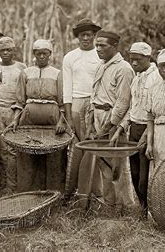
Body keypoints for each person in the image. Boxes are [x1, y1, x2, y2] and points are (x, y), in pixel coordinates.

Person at [84, 30, 135, 209]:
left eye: (102, 45)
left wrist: (109, 126)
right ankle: (109, 205)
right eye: (97, 45)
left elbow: (123, 102)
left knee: (117, 166)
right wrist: (90, 120)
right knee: (103, 163)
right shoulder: (102, 65)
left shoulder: (124, 69)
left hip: (112, 120)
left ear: (114, 46)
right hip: (98, 116)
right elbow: (95, 93)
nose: (98, 49)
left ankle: (124, 207)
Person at [111, 42, 160, 218]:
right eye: (131, 60)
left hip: (149, 129)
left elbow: (155, 111)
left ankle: (153, 213)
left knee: (145, 178)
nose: (134, 63)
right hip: (134, 129)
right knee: (135, 172)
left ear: (148, 58)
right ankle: (143, 209)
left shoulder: (156, 77)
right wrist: (120, 128)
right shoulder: (137, 77)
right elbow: (133, 108)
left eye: (138, 60)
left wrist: (148, 134)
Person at [10, 39, 67, 192]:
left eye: (45, 53)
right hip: (29, 118)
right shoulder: (26, 73)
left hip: (52, 120)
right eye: (38, 53)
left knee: (53, 155)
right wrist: (15, 120)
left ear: (50, 55)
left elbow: (62, 101)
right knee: (27, 153)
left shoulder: (57, 74)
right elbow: (20, 100)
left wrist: (61, 121)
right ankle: (27, 193)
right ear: (34, 54)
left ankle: (53, 194)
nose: (42, 56)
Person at [62, 18, 103, 198]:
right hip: (77, 103)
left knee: (95, 146)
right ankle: (74, 191)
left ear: (94, 36)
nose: (85, 38)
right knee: (78, 147)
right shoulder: (70, 57)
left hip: (96, 104)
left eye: (89, 35)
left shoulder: (101, 56)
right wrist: (69, 116)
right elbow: (67, 88)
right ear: (77, 37)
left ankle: (95, 192)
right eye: (82, 35)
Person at [0, 37, 27, 193]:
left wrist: (19, 114)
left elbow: (24, 93)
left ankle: (15, 185)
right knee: (1, 149)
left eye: (9, 50)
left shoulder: (22, 68)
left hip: (15, 111)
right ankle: (5, 184)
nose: (6, 53)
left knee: (14, 149)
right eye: (2, 50)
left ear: (14, 51)